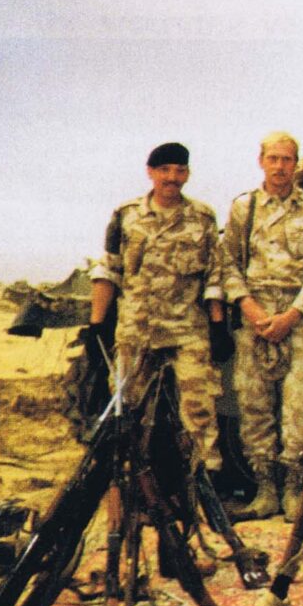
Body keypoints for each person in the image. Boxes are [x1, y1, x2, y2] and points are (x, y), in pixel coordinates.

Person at [88, 142, 231, 476]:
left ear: (188, 174)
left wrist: (217, 325)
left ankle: (203, 482)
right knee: (127, 408)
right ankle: (131, 481)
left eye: (179, 170)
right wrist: (97, 325)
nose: (172, 177)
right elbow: (109, 269)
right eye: (165, 170)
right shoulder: (126, 216)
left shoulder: (202, 217)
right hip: (137, 328)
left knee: (198, 407)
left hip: (186, 328)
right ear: (150, 172)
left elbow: (214, 275)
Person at [221, 131, 303, 520]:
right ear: (262, 161)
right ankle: (265, 489)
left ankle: (293, 490)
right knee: (254, 406)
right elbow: (229, 264)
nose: (280, 166)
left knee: (299, 409)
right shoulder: (245, 208)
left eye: (287, 159)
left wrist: (293, 315)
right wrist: (250, 309)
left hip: (299, 318)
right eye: (273, 158)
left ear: (296, 163)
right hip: (255, 315)